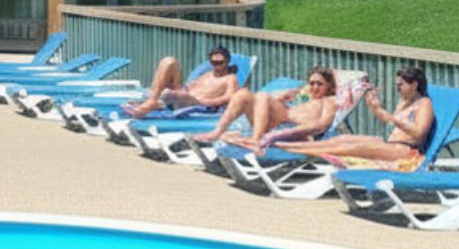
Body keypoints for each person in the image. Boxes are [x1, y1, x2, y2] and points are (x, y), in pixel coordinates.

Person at [272, 67, 436, 168]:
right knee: (342, 139)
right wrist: (375, 107)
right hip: (390, 144)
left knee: (348, 149)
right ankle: (294, 147)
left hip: (404, 151)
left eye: (401, 85)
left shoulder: (424, 104)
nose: (397, 88)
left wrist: (392, 118)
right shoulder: (405, 102)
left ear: (414, 85)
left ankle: (294, 149)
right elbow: (388, 121)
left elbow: (419, 133)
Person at [192, 66, 339, 147]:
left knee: (263, 96)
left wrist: (283, 133)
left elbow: (322, 125)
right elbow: (261, 105)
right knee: (242, 93)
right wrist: (279, 99)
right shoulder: (306, 101)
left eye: (319, 84)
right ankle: (216, 133)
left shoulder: (329, 101)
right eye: (311, 83)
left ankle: (256, 139)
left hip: (292, 131)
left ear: (330, 87)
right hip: (278, 124)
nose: (314, 87)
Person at [118, 46, 241, 119]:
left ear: (228, 61)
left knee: (172, 95)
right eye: (214, 63)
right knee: (169, 61)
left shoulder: (230, 78)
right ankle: (152, 100)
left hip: (199, 104)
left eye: (220, 63)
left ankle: (155, 103)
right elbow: (189, 86)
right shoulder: (207, 74)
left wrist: (205, 102)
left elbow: (229, 97)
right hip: (183, 95)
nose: (217, 66)